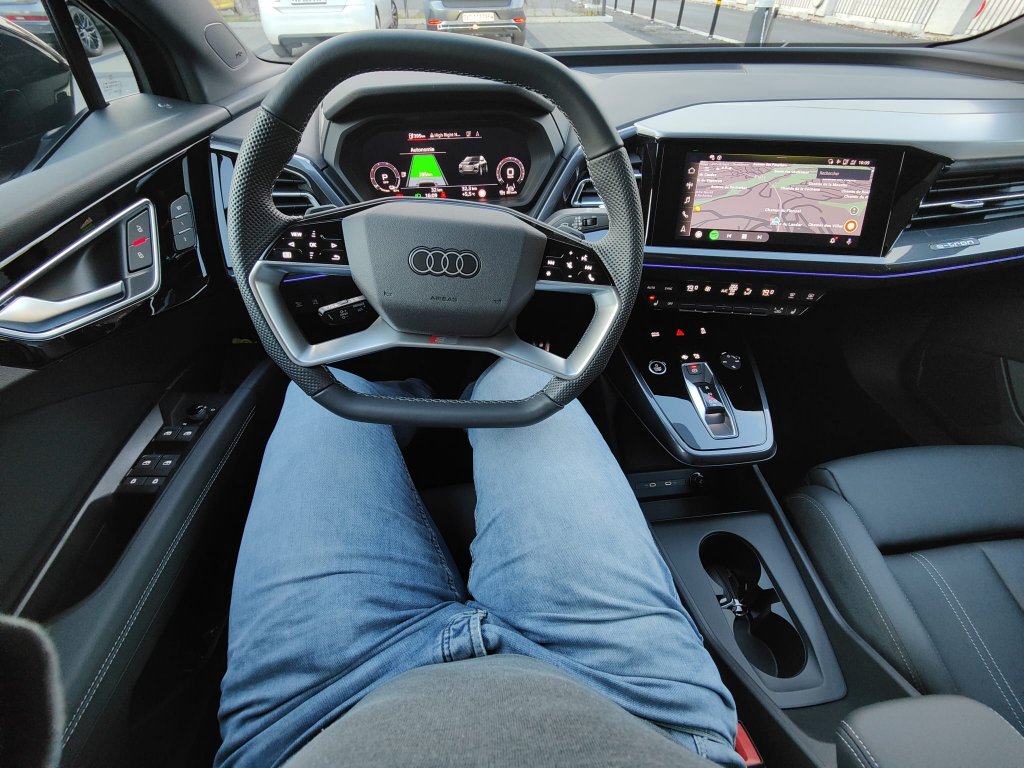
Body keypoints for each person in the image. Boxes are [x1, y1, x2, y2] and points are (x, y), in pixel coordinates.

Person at [215, 359, 743, 768]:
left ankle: (409, 393)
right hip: (636, 706)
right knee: (523, 376)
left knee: (326, 391)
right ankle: (468, 389)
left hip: (314, 717)